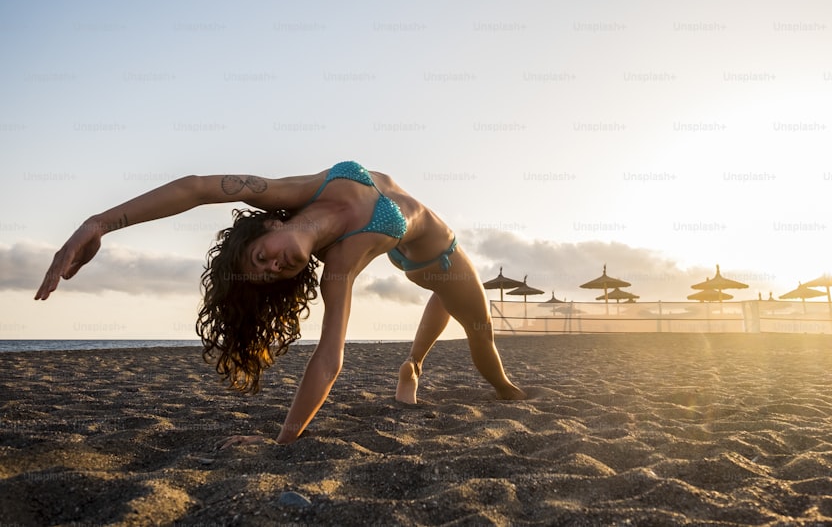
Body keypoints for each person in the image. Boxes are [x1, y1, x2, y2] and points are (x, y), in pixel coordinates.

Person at [35, 160, 526, 446]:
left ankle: (412, 365)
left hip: (419, 257)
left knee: (448, 306)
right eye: (271, 275)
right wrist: (284, 440)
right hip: (439, 257)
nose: (273, 267)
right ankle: (506, 390)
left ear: (267, 227)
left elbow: (197, 189)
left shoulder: (295, 193)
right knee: (484, 343)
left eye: (260, 258)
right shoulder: (339, 266)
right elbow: (329, 359)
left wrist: (99, 223)